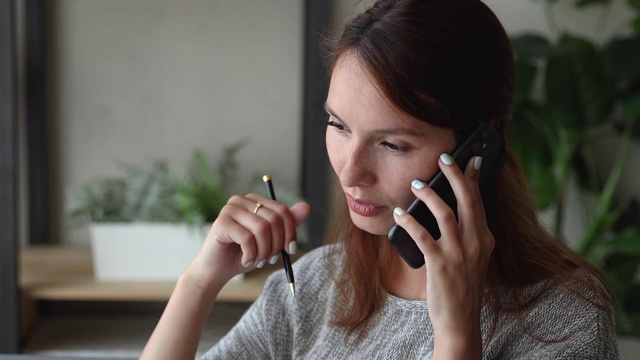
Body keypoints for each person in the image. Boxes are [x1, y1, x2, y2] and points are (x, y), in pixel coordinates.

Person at [141, 0, 619, 359]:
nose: (350, 172)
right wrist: (199, 281)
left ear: (481, 147)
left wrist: (455, 336)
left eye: (393, 145)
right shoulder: (314, 284)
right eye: (338, 126)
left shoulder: (564, 316)